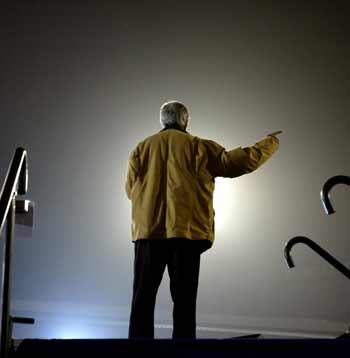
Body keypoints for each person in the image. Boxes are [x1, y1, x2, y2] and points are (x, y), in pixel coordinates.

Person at [125, 100, 282, 339]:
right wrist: (270, 143)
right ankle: (184, 350)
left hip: (148, 233)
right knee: (185, 301)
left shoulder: (141, 148)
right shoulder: (199, 147)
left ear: (162, 121)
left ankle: (137, 352)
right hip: (186, 234)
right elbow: (237, 162)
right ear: (185, 120)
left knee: (142, 299)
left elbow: (129, 190)